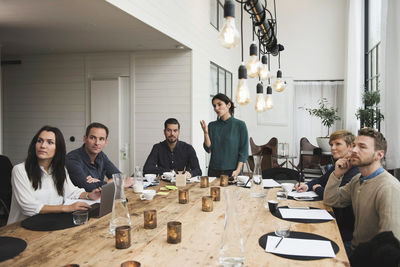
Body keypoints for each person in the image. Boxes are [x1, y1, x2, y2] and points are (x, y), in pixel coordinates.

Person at [324, 127, 400, 253]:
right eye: (354, 145)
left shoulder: (388, 188)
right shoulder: (357, 179)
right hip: (355, 250)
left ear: (379, 155)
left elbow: (390, 247)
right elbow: (331, 200)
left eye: (362, 147)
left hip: (369, 258)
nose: (353, 150)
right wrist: (337, 174)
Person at [7, 126, 101, 224]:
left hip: (50, 223)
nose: (43, 145)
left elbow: (71, 191)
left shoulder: (60, 170)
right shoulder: (20, 170)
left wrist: (89, 195)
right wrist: (66, 208)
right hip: (21, 227)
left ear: (58, 148)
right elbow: (28, 207)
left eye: (50, 142)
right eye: (40, 141)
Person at [295, 130, 359, 243]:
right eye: (331, 145)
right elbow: (321, 180)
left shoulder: (355, 170)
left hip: (342, 228)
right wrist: (307, 185)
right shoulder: (339, 164)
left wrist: (317, 188)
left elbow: (334, 196)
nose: (333, 148)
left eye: (338, 144)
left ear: (350, 147)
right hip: (332, 217)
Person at [66, 122, 133, 192]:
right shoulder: (72, 158)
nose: (97, 143)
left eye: (101, 139)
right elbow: (87, 187)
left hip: (98, 199)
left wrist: (99, 182)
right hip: (80, 200)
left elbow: (120, 176)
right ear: (85, 139)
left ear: (106, 142)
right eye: (92, 138)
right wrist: (108, 182)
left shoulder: (101, 155)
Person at [200, 93, 249, 178]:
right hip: (214, 171)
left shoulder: (240, 125)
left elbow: (243, 151)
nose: (216, 108)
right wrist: (206, 133)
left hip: (233, 171)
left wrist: (238, 170)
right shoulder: (212, 126)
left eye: (219, 104)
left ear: (228, 105)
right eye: (214, 106)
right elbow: (208, 149)